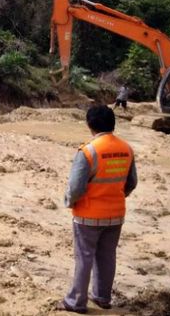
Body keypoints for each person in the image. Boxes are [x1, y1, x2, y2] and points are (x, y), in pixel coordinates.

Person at [57, 105, 137, 314]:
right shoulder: (126, 149)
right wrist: (118, 196)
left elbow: (75, 187)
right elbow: (132, 182)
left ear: (89, 125)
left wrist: (70, 202)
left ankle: (76, 301)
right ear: (113, 123)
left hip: (88, 215)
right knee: (107, 256)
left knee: (84, 257)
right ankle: (102, 297)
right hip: (116, 214)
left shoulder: (89, 151)